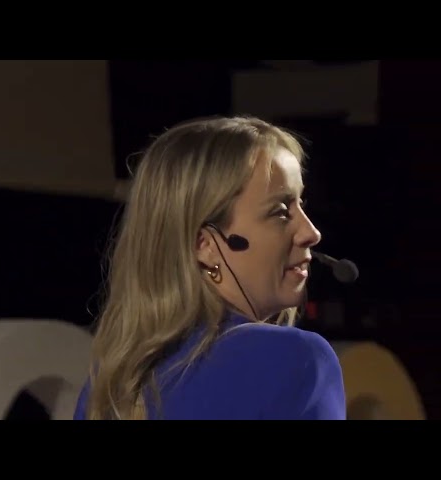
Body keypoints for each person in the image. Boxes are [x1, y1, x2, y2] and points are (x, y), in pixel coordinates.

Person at [73, 115, 346, 420]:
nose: (311, 233)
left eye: (301, 205)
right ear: (205, 244)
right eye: (280, 212)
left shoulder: (110, 384)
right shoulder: (299, 360)